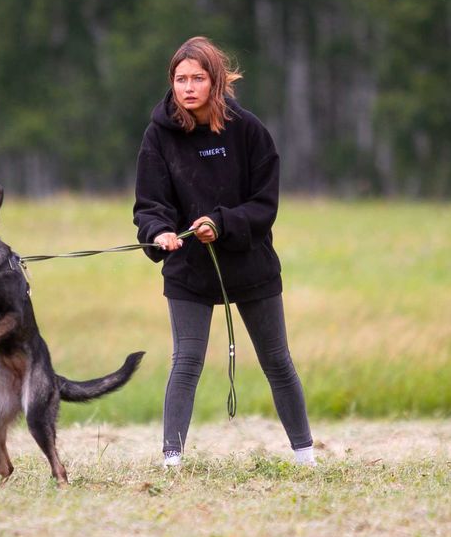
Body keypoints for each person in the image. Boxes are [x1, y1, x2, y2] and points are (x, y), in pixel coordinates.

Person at [132, 36, 316, 468]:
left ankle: (306, 456)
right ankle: (172, 461)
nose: (188, 87)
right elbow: (149, 205)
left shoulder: (248, 130)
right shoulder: (157, 135)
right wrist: (159, 233)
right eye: (180, 79)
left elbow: (264, 204)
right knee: (187, 361)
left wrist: (221, 223)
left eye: (198, 78)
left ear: (216, 82)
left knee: (277, 361)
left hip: (251, 265)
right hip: (188, 270)